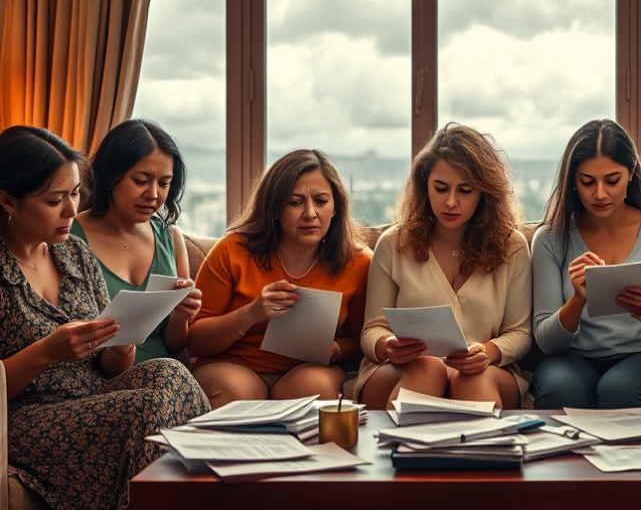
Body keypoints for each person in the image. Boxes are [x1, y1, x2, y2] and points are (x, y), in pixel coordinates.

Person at [0, 126, 209, 510]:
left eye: (75, 193)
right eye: (54, 200)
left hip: (96, 395)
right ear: (9, 202)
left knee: (170, 372)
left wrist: (122, 346)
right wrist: (46, 351)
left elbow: (111, 366)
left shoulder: (74, 253)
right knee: (146, 408)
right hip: (28, 418)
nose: (70, 209)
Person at [530, 120, 641, 409]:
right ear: (572, 180)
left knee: (619, 390)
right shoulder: (549, 239)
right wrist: (577, 300)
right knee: (560, 390)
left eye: (612, 180)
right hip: (573, 358)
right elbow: (547, 342)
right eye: (587, 182)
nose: (600, 194)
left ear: (631, 173)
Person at [357, 123, 531, 409]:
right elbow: (372, 330)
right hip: (403, 371)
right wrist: (387, 345)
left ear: (485, 193)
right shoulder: (393, 244)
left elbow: (520, 334)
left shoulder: (512, 247)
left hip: (485, 372)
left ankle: (485, 453)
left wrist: (488, 352)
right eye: (441, 188)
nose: (451, 202)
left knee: (472, 379)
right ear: (425, 185)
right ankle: (405, 452)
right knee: (428, 369)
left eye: (465, 190)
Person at [188, 149, 370, 408]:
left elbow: (358, 341)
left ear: (336, 207)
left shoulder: (359, 262)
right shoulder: (233, 249)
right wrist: (252, 313)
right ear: (274, 208)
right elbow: (194, 341)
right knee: (237, 392)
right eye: (295, 202)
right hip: (232, 365)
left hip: (308, 369)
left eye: (321, 201)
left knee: (314, 387)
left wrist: (336, 349)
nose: (310, 213)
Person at [71, 119, 201, 364]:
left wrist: (181, 315)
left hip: (168, 373)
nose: (153, 194)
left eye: (164, 183)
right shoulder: (69, 237)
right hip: (97, 379)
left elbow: (174, 344)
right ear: (110, 177)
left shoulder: (171, 239)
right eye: (141, 181)